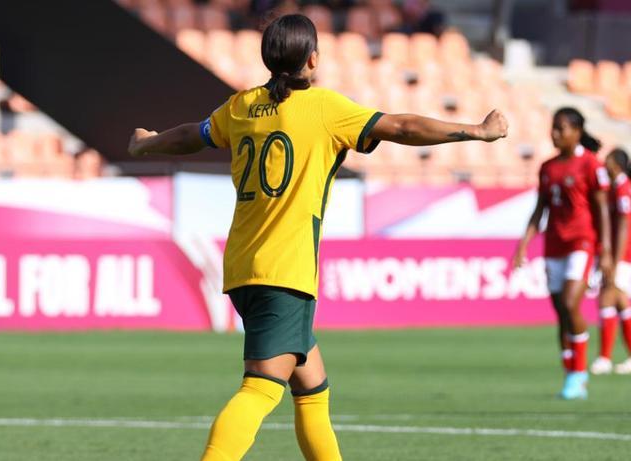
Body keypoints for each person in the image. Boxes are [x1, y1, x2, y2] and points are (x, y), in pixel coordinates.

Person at [128, 14, 507, 460]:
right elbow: (402, 127)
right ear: (312, 58)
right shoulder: (326, 109)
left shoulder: (242, 106)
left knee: (311, 388)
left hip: (245, 266)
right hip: (284, 272)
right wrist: (476, 132)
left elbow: (193, 136)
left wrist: (147, 143)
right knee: (260, 389)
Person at [513, 107, 611, 400]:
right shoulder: (548, 167)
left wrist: (605, 250)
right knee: (561, 313)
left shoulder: (591, 164)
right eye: (553, 127)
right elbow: (539, 209)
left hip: (581, 243)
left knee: (570, 304)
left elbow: (602, 209)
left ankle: (579, 374)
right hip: (554, 246)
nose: (555, 133)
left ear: (576, 132)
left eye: (561, 128)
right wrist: (523, 244)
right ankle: (570, 373)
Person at [591, 148, 631, 375]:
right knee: (620, 301)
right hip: (621, 254)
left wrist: (615, 262)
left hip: (623, 255)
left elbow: (624, 226)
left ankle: (604, 358)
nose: (604, 165)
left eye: (608, 161)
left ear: (616, 164)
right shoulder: (617, 188)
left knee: (608, 297)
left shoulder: (623, 188)